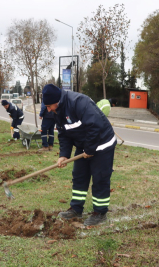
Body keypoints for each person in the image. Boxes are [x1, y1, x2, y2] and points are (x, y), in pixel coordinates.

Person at [42, 84, 117, 226]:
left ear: (57, 101)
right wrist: (64, 154)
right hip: (84, 145)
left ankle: (100, 213)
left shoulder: (79, 102)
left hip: (102, 143)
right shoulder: (57, 112)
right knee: (79, 176)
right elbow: (64, 134)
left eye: (49, 106)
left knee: (100, 177)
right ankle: (76, 209)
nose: (48, 110)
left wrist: (90, 149)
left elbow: (95, 126)